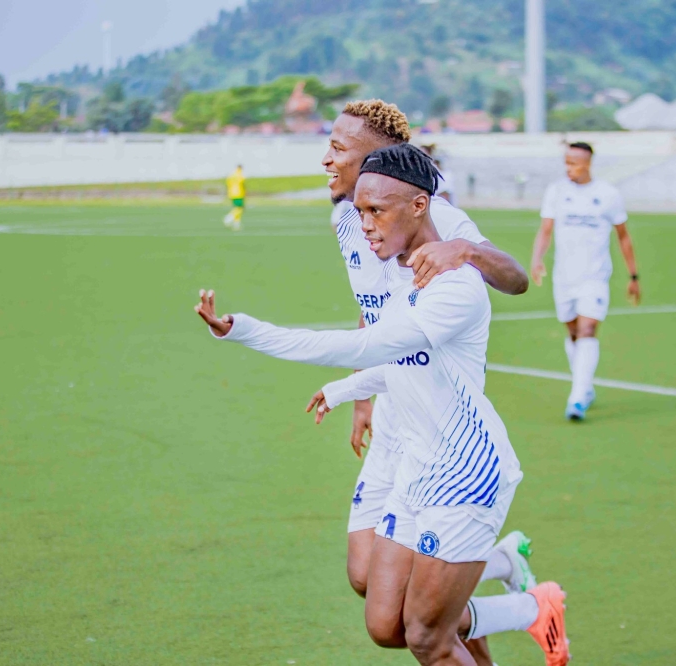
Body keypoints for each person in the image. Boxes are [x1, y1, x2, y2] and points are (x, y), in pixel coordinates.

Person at [196, 144, 570, 666]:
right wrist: (347, 392)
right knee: (385, 623)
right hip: (416, 462)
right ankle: (522, 599)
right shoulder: (396, 268)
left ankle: (521, 602)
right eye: (361, 211)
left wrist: (246, 331)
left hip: (464, 472)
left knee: (425, 637)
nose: (364, 222)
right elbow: (400, 361)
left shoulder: (453, 287)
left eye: (376, 211)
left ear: (420, 207)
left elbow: (365, 346)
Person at [323, 101, 536, 665]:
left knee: (416, 626)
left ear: (378, 163)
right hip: (394, 411)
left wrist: (463, 249)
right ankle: (504, 572)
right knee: (367, 581)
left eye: (340, 149)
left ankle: (514, 601)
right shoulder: (348, 217)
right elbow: (374, 315)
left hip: (438, 430)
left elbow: (516, 279)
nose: (327, 159)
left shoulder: (437, 215)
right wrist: (363, 395)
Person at [530, 142, 640, 422]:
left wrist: (633, 275)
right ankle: (586, 387)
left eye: (573, 163)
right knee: (574, 333)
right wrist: (537, 259)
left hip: (595, 276)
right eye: (566, 163)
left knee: (588, 328)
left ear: (587, 164)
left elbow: (623, 236)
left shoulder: (607, 194)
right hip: (564, 277)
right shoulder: (557, 191)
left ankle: (577, 398)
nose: (568, 168)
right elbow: (546, 229)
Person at [223, 165, 246, 230]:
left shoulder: (231, 175)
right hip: (239, 193)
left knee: (237, 208)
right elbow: (242, 184)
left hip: (232, 193)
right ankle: (229, 217)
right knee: (240, 208)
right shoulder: (240, 175)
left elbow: (228, 184)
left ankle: (236, 223)